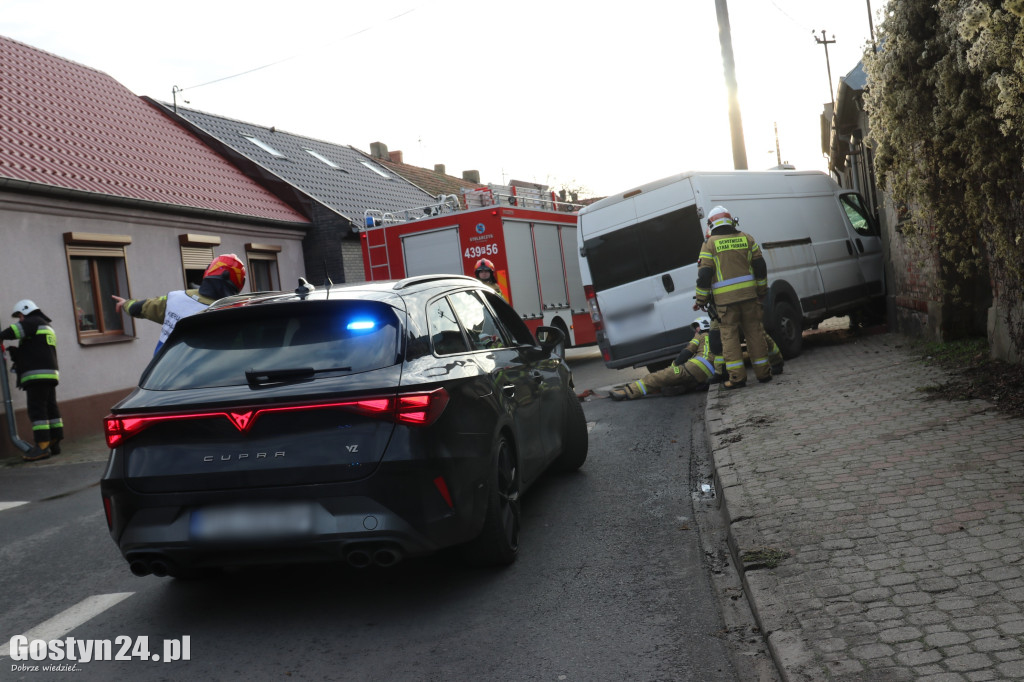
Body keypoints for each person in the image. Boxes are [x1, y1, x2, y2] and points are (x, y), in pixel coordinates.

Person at [694, 206, 772, 389]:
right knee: (755, 333)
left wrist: (701, 300)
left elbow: (704, 275)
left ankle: (737, 378)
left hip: (726, 304)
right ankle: (764, 373)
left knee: (729, 339)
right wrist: (761, 291)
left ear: (711, 224)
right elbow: (760, 267)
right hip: (749, 298)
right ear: (731, 220)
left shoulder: (710, 244)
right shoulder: (747, 238)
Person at [112, 254, 246, 354]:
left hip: (160, 378)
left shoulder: (175, 298)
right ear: (239, 282)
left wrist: (125, 304)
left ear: (208, 270)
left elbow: (140, 307)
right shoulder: (237, 314)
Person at [2, 300, 63, 461]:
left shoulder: (33, 321)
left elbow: (14, 331)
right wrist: (19, 353)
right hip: (50, 374)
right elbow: (37, 349)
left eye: (20, 316)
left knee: (37, 410)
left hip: (37, 376)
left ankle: (42, 446)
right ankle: (55, 442)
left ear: (26, 311)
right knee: (51, 408)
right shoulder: (46, 325)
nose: (20, 319)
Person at [610, 317, 716, 400]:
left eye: (695, 328)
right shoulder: (715, 336)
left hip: (694, 368)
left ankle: (627, 392)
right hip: (709, 373)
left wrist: (673, 366)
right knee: (679, 382)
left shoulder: (700, 335)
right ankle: (678, 387)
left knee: (657, 377)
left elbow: (686, 352)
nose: (694, 332)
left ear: (701, 326)